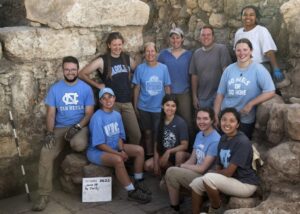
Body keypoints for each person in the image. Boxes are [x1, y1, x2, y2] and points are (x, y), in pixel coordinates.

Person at [32, 56, 95, 211]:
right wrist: (49, 132)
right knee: (45, 153)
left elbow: (89, 113)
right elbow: (51, 114)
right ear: (62, 70)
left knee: (78, 144)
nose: (70, 72)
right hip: (60, 127)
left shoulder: (85, 88)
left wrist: (77, 126)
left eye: (73, 69)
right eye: (67, 69)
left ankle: (72, 154)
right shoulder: (55, 89)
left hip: (79, 126)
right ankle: (43, 194)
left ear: (77, 70)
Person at [87, 87, 151, 204]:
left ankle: (138, 181)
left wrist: (121, 149)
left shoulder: (116, 115)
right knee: (118, 160)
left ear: (114, 98)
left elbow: (120, 137)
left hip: (114, 146)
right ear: (100, 101)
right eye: (104, 98)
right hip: (97, 151)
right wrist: (118, 154)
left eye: (110, 97)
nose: (108, 100)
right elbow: (99, 144)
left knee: (139, 150)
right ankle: (131, 191)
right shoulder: (97, 117)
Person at [190, 108, 259, 214]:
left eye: (232, 121)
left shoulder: (242, 142)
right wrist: (215, 172)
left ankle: (216, 209)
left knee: (209, 177)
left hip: (245, 184)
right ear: (220, 121)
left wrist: (213, 173)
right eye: (224, 120)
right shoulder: (223, 139)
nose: (227, 123)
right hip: (230, 179)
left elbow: (228, 172)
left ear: (237, 124)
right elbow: (219, 165)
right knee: (196, 184)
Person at [79, 32, 141, 146]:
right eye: (114, 45)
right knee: (113, 136)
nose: (117, 47)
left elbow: (140, 72)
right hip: (111, 104)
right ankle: (116, 158)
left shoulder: (127, 59)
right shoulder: (103, 60)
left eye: (119, 44)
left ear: (122, 44)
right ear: (109, 45)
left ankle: (130, 159)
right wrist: (97, 85)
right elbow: (82, 73)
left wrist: (134, 83)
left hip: (127, 102)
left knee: (136, 135)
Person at [214, 38, 275, 139]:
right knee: (225, 146)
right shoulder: (229, 69)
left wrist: (251, 104)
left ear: (251, 51)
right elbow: (220, 94)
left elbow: (270, 91)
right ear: (235, 51)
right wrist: (216, 114)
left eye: (245, 50)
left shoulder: (258, 69)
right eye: (238, 50)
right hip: (226, 117)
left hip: (244, 119)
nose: (242, 53)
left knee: (240, 147)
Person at [164, 107, 220, 212]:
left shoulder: (215, 140)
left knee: (171, 173)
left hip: (205, 176)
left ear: (212, 120)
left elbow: (203, 168)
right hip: (196, 171)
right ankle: (186, 199)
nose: (201, 122)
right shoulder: (199, 134)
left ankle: (174, 208)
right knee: (165, 182)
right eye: (199, 118)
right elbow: (192, 159)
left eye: (205, 119)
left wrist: (181, 167)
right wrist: (180, 168)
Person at [132, 42, 171, 157]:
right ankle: (149, 155)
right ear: (144, 53)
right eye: (147, 51)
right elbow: (136, 88)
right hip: (144, 107)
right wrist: (135, 106)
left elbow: (167, 87)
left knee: (158, 133)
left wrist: (168, 105)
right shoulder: (140, 68)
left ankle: (158, 156)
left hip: (159, 108)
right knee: (147, 133)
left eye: (152, 51)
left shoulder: (163, 68)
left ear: (156, 52)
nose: (150, 54)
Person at [158, 27, 194, 141]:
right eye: (172, 37)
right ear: (169, 39)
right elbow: (159, 73)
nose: (175, 40)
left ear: (182, 39)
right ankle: (171, 145)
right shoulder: (163, 54)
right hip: (168, 93)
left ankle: (189, 148)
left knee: (186, 121)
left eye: (177, 37)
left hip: (184, 93)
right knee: (169, 120)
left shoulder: (189, 55)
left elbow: (193, 74)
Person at [234, 5, 285, 84]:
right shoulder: (239, 33)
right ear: (241, 17)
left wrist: (276, 69)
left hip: (260, 67)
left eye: (251, 15)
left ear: (256, 17)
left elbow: (269, 51)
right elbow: (237, 52)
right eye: (245, 15)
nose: (248, 17)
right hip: (243, 68)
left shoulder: (261, 30)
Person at [144, 94, 189, 177]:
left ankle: (175, 175)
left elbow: (185, 146)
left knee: (179, 154)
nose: (170, 108)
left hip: (176, 155)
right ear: (162, 106)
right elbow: (156, 144)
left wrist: (169, 151)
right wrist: (156, 165)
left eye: (173, 106)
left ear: (176, 108)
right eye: (167, 105)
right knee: (147, 165)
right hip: (163, 155)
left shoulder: (181, 122)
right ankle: (166, 173)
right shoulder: (159, 122)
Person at [190, 25, 232, 109]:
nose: (206, 37)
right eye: (203, 35)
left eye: (208, 35)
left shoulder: (221, 49)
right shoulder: (196, 54)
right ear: (200, 37)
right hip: (203, 98)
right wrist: (194, 96)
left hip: (219, 96)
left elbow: (227, 72)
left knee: (219, 121)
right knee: (204, 122)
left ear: (213, 37)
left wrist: (226, 94)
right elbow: (194, 76)